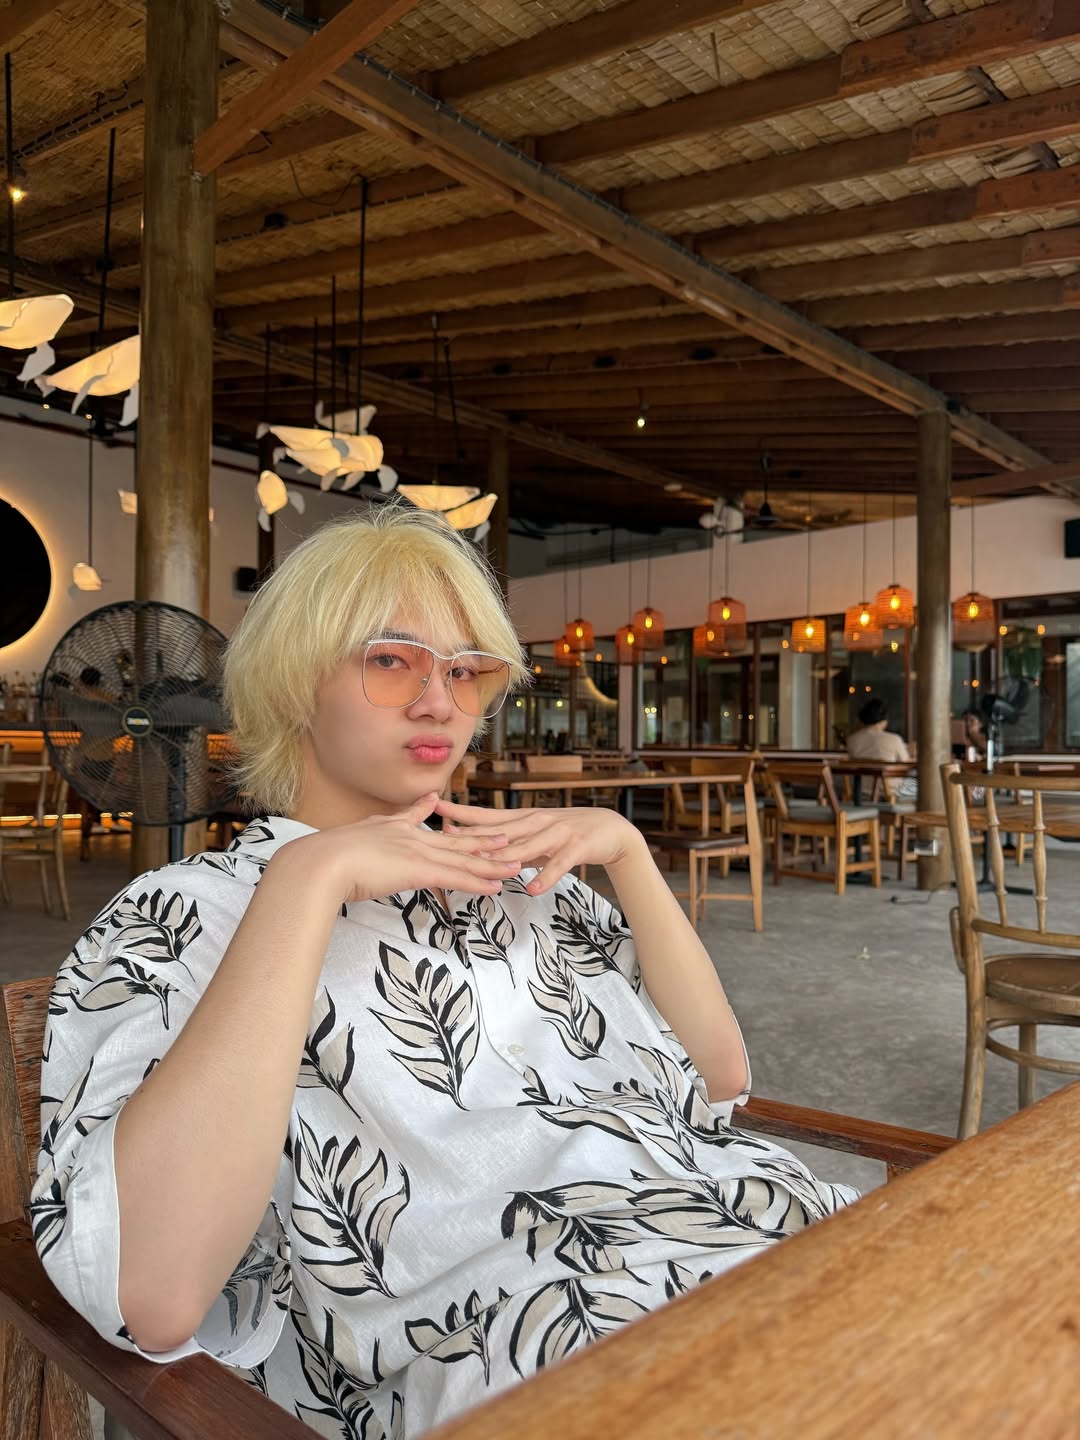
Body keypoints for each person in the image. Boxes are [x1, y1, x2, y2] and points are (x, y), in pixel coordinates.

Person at [32, 506, 855, 1440]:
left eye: (466, 671)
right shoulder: (184, 916)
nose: (439, 703)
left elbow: (719, 1080)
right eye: (392, 661)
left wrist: (627, 853)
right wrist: (307, 880)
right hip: (530, 1352)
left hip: (761, 1252)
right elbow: (150, 1296)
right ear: (295, 682)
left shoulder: (524, 884)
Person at [845, 696, 910, 763]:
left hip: (861, 770)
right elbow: (905, 761)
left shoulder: (851, 740)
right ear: (884, 721)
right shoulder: (895, 740)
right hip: (887, 769)